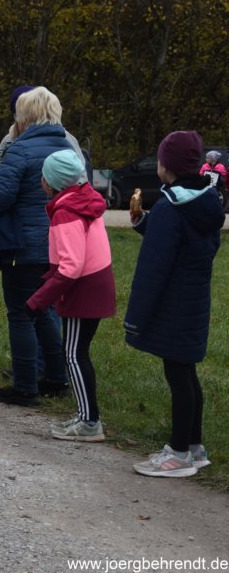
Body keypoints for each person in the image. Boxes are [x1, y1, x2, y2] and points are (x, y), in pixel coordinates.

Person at [126, 130, 223, 477]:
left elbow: (154, 265)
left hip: (172, 303)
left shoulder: (170, 206)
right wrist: (144, 223)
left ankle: (179, 453)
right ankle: (194, 448)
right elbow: (185, 239)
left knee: (178, 375)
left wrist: (136, 318)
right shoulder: (204, 200)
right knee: (186, 372)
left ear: (165, 166)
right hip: (194, 299)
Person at [0, 86, 73, 405]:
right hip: (60, 244)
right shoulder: (68, 148)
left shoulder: (20, 149)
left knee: (21, 314)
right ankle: (57, 377)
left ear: (24, 117)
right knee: (44, 310)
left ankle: (25, 385)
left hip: (23, 244)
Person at [26, 149, 116, 441]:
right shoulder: (83, 200)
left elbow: (71, 267)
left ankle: (90, 422)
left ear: (52, 182)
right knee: (77, 353)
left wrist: (38, 301)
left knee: (74, 355)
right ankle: (85, 415)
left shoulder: (66, 212)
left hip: (83, 290)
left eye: (44, 176)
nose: (41, 180)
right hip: (95, 284)